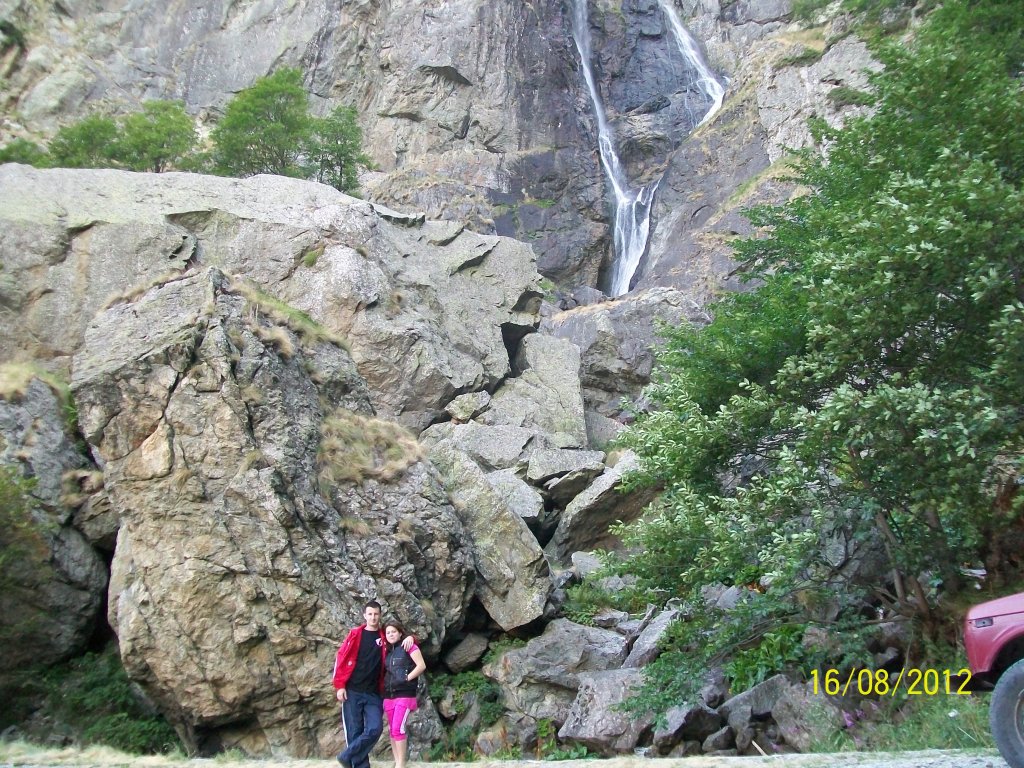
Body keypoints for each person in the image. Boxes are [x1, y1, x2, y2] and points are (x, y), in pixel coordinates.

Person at [333, 601, 414, 768]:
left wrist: (411, 638)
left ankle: (347, 756)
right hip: (352, 691)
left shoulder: (384, 636)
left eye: (376, 614)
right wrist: (340, 685)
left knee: (375, 728)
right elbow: (341, 658)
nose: (373, 617)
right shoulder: (355, 634)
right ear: (364, 615)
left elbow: (399, 637)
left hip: (374, 693)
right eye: (370, 614)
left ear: (380, 615)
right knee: (354, 731)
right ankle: (360, 765)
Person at [382, 619, 426, 768]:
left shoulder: (409, 645)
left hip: (405, 693)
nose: (391, 634)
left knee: (398, 728)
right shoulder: (388, 651)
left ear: (400, 633)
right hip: (389, 695)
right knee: (392, 731)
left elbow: (421, 665)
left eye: (393, 631)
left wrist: (407, 678)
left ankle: (401, 763)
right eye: (388, 632)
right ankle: (397, 761)